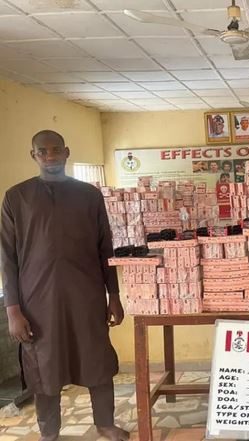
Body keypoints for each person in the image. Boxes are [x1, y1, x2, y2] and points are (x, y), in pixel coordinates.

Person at [0, 130, 129, 441]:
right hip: (37, 302)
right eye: (42, 151)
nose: (50, 156)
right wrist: (13, 310)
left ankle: (105, 423)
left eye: (56, 150)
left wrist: (114, 295)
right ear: (33, 155)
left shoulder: (89, 195)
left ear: (67, 152)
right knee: (43, 368)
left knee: (97, 359)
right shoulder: (16, 197)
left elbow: (105, 249)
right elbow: (7, 258)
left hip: (87, 296)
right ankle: (49, 432)